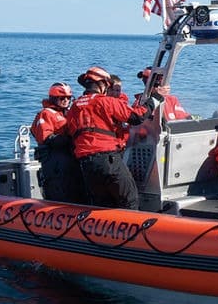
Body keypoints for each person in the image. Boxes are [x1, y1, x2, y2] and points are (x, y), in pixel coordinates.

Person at [65, 66, 160, 209]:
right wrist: (154, 101)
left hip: (86, 164)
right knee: (130, 199)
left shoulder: (75, 106)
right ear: (102, 84)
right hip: (107, 159)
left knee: (101, 204)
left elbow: (71, 132)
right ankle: (130, 229)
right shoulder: (105, 101)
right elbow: (136, 117)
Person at [30, 82, 88, 204]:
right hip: (54, 161)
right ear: (54, 98)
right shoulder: (46, 113)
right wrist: (70, 137)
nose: (66, 100)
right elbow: (45, 138)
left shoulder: (68, 113)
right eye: (62, 98)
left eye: (68, 98)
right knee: (60, 193)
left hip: (69, 159)